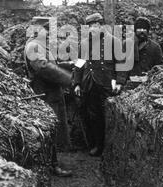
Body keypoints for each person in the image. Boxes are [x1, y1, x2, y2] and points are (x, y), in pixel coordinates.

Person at [73, 13, 128, 157]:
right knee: (93, 116)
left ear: (101, 26)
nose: (93, 29)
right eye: (90, 26)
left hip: (107, 83)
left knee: (108, 115)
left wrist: (120, 82)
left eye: (96, 25)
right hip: (90, 84)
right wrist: (77, 83)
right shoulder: (84, 43)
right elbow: (79, 64)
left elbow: (121, 63)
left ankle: (111, 148)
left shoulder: (114, 41)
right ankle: (98, 145)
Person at [24, 17, 72, 177]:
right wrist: (68, 79)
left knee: (53, 129)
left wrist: (69, 64)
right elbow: (44, 68)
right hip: (44, 94)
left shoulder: (40, 45)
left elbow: (53, 63)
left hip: (51, 93)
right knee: (49, 130)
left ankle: (52, 162)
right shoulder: (33, 46)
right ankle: (52, 165)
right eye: (47, 30)